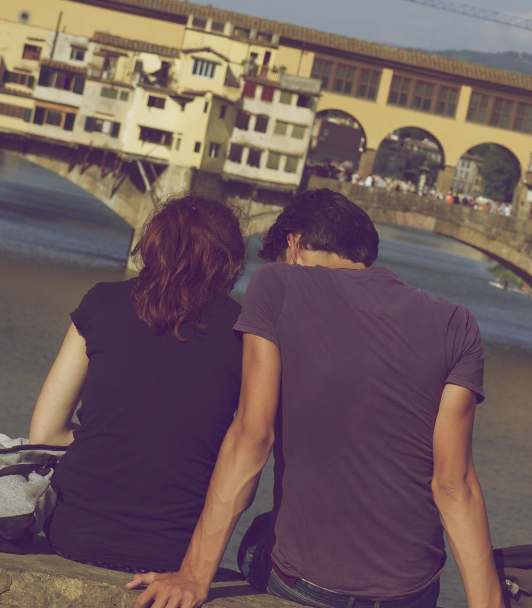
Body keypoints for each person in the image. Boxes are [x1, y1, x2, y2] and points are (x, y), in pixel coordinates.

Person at [128, 188, 503, 608]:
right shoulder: (458, 324)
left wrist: (194, 575)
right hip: (411, 594)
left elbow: (253, 437)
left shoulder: (277, 283)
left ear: (293, 245)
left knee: (258, 537)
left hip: (308, 587)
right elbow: (455, 484)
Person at [29, 193, 246, 573]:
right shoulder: (246, 333)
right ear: (230, 262)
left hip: (73, 535)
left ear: (153, 245)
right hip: (174, 554)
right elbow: (246, 452)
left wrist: (113, 440)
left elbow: (45, 433)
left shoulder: (101, 302)